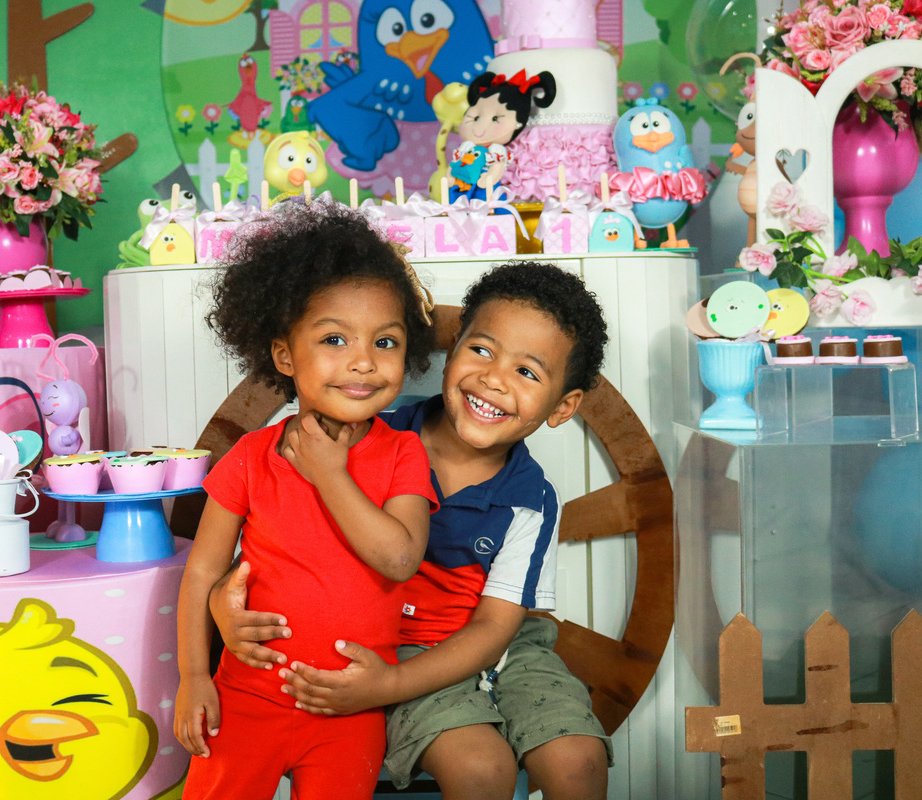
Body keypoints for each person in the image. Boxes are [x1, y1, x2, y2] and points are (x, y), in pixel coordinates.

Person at [213, 261, 613, 800]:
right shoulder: (365, 437)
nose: (494, 379)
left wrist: (391, 687)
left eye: (527, 371)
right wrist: (221, 603)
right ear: (453, 348)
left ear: (563, 407)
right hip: (396, 645)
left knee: (578, 762)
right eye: (482, 350)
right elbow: (281, 545)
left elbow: (495, 628)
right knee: (479, 770)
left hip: (505, 644)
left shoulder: (531, 500)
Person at [173, 201, 440, 800]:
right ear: (285, 356)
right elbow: (203, 572)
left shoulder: (404, 454)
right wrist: (193, 676)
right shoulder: (250, 457)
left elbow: (400, 559)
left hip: (347, 706)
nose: (363, 361)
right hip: (246, 697)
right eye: (334, 339)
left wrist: (329, 473)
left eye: (386, 341)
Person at [448, 70, 556, 206]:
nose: (481, 127)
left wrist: (489, 179)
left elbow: (497, 167)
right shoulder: (466, 147)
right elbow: (455, 163)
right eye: (475, 118)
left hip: (484, 190)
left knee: (489, 206)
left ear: (518, 124)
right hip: (460, 186)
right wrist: (450, 177)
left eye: (495, 119)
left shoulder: (496, 150)